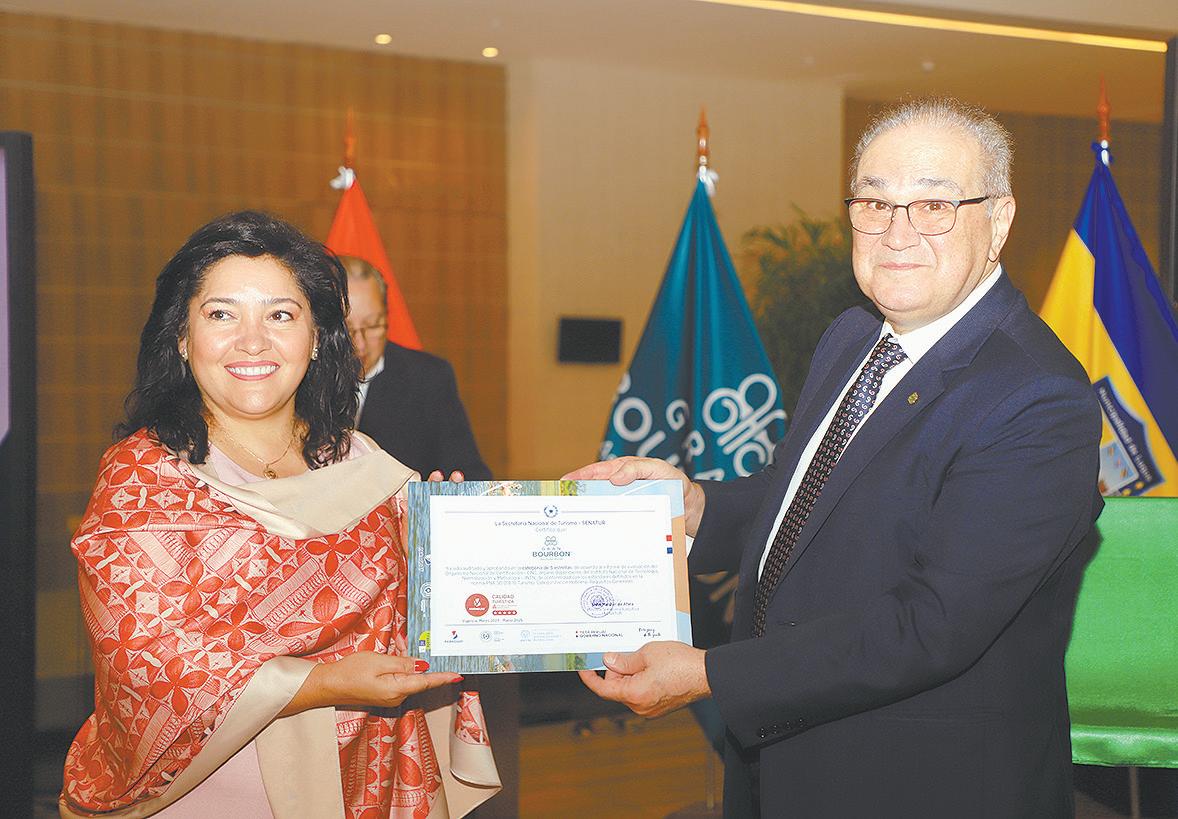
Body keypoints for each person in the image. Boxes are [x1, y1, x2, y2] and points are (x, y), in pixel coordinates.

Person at [569, 98, 1103, 818]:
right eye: (874, 204)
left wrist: (711, 674)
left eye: (934, 205)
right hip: (784, 758)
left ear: (999, 220)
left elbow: (932, 624)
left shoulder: (1036, 395)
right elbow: (811, 497)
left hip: (917, 782)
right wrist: (695, 507)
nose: (897, 233)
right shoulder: (852, 337)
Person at [61, 211, 499, 818]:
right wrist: (322, 684)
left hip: (364, 783)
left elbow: (433, 612)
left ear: (317, 337)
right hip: (209, 792)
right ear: (182, 338)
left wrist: (458, 554)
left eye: (280, 315)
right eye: (221, 314)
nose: (252, 341)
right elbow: (146, 663)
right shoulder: (143, 479)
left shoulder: (362, 461)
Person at [342, 256, 491, 481]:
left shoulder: (428, 378)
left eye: (373, 325)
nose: (360, 344)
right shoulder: (302, 377)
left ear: (387, 317)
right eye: (347, 329)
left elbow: (470, 474)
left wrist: (440, 490)